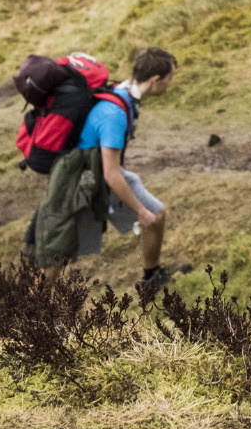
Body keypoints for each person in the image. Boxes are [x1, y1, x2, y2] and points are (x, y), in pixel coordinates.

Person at [76, 46, 181, 299]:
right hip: (85, 179)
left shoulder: (122, 93)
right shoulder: (115, 113)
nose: (170, 84)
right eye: (168, 79)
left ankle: (151, 277)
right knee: (57, 253)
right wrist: (139, 210)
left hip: (95, 170)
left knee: (157, 213)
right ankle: (33, 307)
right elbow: (111, 175)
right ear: (155, 80)